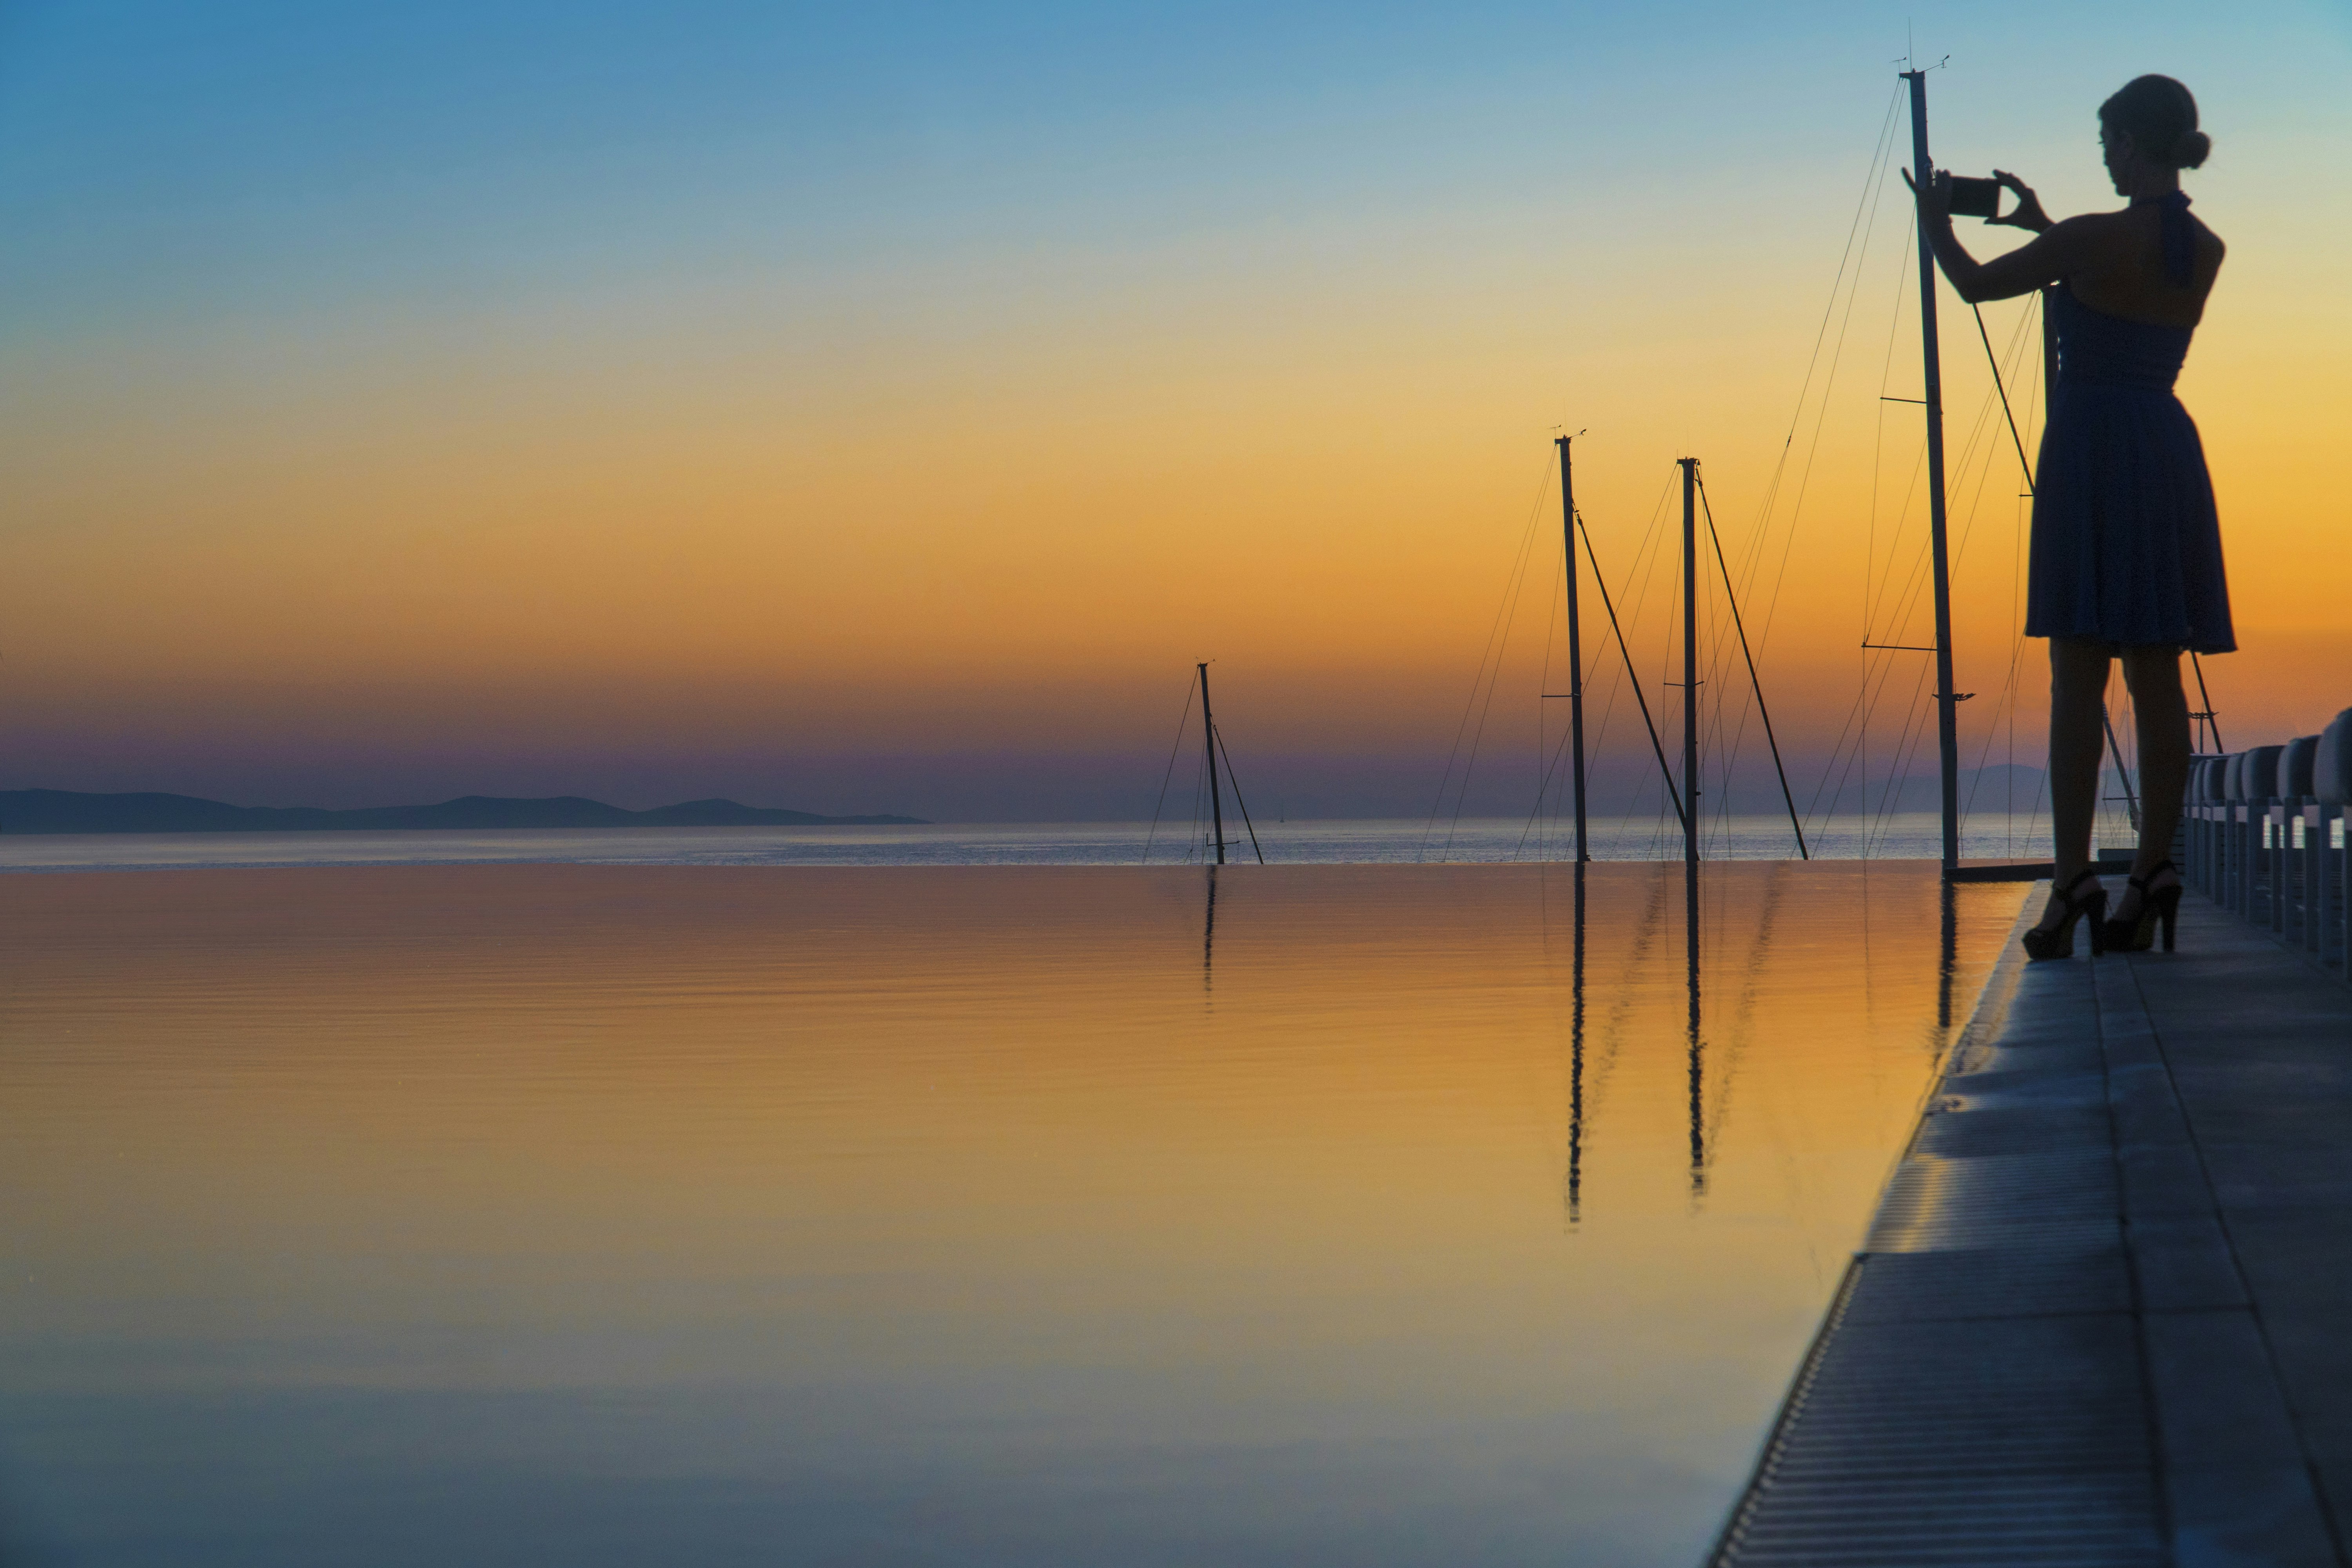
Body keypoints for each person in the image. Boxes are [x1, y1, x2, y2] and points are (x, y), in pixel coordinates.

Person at [1916, 74, 2229, 959]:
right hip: (2162, 445)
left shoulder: (2095, 238)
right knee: (2156, 671)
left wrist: (1936, 215)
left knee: (2077, 675)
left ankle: (2071, 881)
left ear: (2133, 141)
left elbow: (1977, 286)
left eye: (2108, 140)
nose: (2104, 154)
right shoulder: (2199, 247)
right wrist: (2048, 228)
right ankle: (2154, 871)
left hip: (2091, 450)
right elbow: (2110, 282)